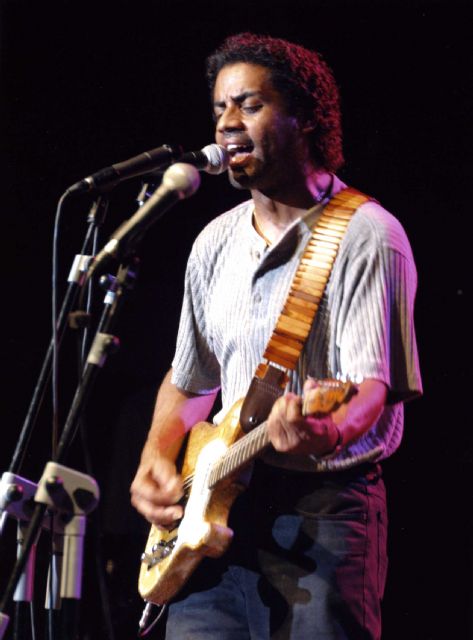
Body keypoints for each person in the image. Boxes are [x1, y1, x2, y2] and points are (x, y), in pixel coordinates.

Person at [130, 32, 422, 639]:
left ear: (305, 117)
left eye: (250, 105)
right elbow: (189, 381)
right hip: (213, 516)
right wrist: (156, 456)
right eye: (220, 108)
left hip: (323, 516)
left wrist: (327, 430)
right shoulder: (213, 241)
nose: (227, 123)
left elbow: (371, 389)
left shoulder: (369, 235)